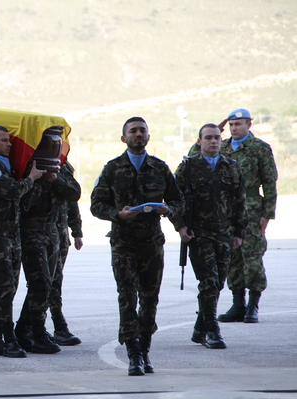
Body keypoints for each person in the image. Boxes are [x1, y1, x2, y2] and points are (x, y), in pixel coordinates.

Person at [90, 116, 182, 376]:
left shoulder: (160, 168)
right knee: (127, 298)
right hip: (123, 243)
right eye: (133, 131)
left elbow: (179, 201)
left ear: (149, 137)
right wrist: (118, 214)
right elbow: (96, 205)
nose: (138, 134)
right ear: (124, 138)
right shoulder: (112, 168)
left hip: (152, 243)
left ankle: (145, 349)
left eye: (142, 131)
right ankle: (134, 354)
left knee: (150, 299)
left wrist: (169, 209)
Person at [173, 123, 247, 349]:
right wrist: (180, 226)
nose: (213, 141)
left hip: (224, 234)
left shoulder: (231, 167)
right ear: (199, 141)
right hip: (199, 234)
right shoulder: (187, 168)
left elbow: (239, 202)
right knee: (209, 282)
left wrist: (238, 232)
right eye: (208, 138)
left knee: (218, 283)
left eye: (216, 138)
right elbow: (176, 199)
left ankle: (199, 327)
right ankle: (212, 330)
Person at [0, 125, 45, 358]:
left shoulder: (5, 167)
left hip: (9, 236)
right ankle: (6, 338)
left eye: (9, 140)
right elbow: (12, 192)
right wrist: (31, 178)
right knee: (5, 288)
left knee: (9, 287)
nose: (10, 144)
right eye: (4, 140)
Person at [217, 109, 277, 324]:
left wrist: (267, 215)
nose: (234, 128)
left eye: (239, 124)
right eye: (231, 125)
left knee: (252, 257)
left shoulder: (259, 148)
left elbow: (270, 183)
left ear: (249, 125)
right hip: (227, 210)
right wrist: (217, 129)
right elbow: (196, 155)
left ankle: (253, 305)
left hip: (251, 208)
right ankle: (238, 304)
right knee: (232, 258)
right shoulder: (221, 146)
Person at [15, 159, 81, 354]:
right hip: (31, 230)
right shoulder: (26, 164)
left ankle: (25, 329)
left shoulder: (60, 167)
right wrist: (33, 178)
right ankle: (36, 332)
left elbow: (74, 194)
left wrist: (54, 179)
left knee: (48, 284)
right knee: (40, 283)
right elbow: (19, 201)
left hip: (53, 231)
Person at [49, 162, 83, 346]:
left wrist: (76, 230)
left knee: (55, 281)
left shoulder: (62, 166)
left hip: (61, 234)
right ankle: (57, 325)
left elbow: (72, 198)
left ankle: (40, 325)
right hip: (41, 234)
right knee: (48, 283)